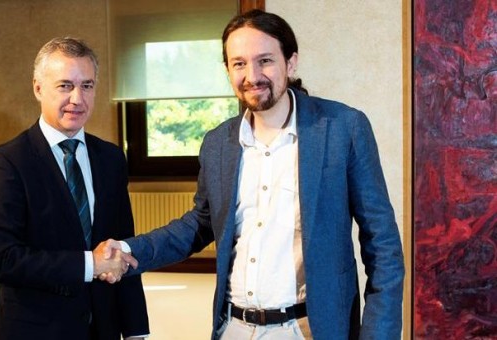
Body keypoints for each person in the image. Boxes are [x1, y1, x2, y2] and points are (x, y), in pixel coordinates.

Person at [100, 9, 404, 340]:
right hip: (233, 327)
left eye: (265, 61)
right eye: (239, 63)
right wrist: (130, 251)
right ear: (228, 69)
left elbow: (383, 245)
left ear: (291, 63)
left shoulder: (343, 128)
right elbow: (199, 224)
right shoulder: (218, 143)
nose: (252, 75)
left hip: (308, 329)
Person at [0, 37, 149, 340]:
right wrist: (90, 264)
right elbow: (1, 261)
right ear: (38, 88)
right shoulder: (5, 163)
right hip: (34, 331)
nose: (77, 99)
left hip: (103, 329)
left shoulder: (110, 158)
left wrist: (136, 330)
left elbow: (122, 247)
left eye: (87, 85)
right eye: (65, 85)